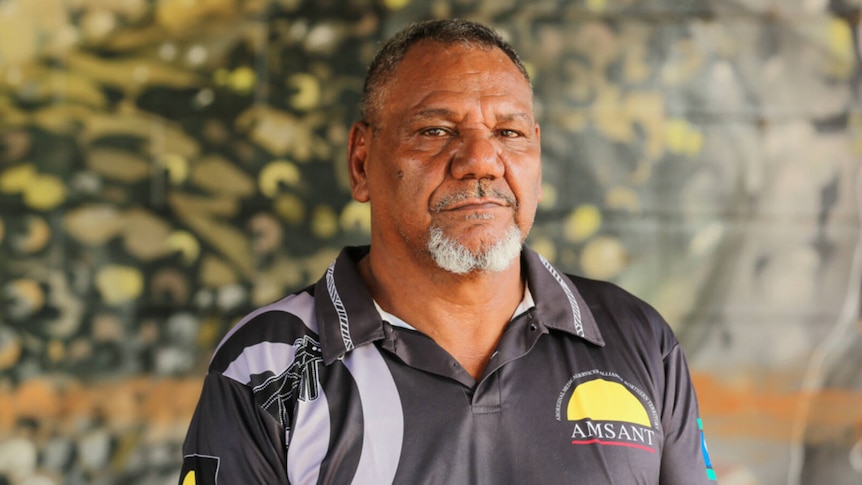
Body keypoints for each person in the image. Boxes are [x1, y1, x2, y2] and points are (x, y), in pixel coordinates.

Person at [179, 18, 717, 484]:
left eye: (509, 133)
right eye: (435, 131)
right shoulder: (264, 365)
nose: (482, 160)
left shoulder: (638, 340)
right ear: (361, 162)